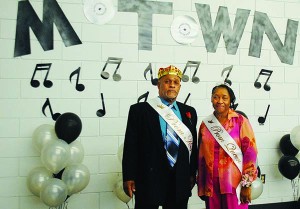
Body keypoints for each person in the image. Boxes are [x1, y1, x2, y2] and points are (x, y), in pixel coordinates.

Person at [122, 65, 198, 209]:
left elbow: (193, 146)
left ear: (179, 87)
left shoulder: (189, 112)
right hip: (149, 177)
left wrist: (192, 173)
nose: (172, 86)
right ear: (159, 85)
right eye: (167, 81)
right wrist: (129, 176)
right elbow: (131, 145)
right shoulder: (139, 110)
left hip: (179, 178)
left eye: (176, 82)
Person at [197, 84, 258, 209]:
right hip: (211, 185)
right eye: (216, 97)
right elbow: (201, 156)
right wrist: (202, 185)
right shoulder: (205, 124)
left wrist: (246, 184)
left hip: (233, 183)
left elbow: (250, 153)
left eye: (224, 97)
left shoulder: (240, 121)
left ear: (230, 100)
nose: (220, 101)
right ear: (211, 99)